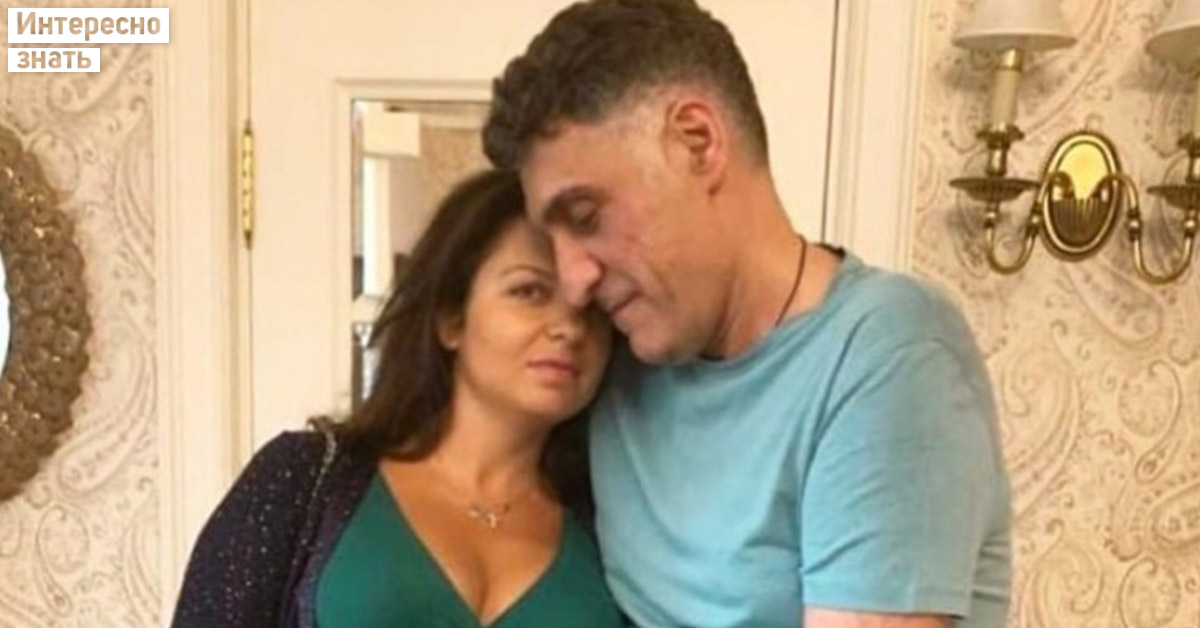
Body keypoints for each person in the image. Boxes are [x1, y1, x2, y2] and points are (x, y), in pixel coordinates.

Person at [483, 1, 1012, 627]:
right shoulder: (621, 362)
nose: (574, 283)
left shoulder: (886, 354)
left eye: (586, 217)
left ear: (697, 142)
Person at [172, 169, 623, 627]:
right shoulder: (303, 480)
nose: (570, 328)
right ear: (450, 318)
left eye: (593, 306)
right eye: (530, 291)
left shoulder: (616, 528)